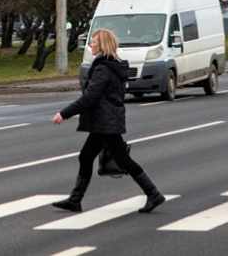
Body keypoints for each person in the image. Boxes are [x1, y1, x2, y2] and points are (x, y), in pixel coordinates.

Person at [51, 28, 166, 214]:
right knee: (88, 156)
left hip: (106, 122)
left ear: (102, 45)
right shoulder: (111, 65)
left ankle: (153, 194)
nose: (91, 45)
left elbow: (90, 97)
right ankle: (75, 200)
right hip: (106, 120)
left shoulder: (103, 69)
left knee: (122, 159)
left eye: (94, 42)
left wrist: (64, 114)